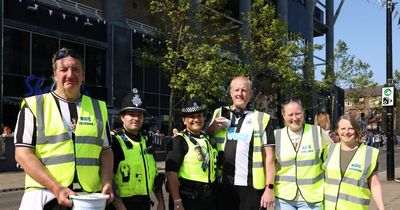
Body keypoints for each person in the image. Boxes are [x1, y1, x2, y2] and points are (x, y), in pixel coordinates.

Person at [14, 47, 114, 209]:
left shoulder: (99, 108)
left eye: (76, 69)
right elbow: (22, 154)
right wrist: (56, 187)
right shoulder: (34, 105)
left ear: (83, 76)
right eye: (64, 70)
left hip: (89, 199)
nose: (70, 74)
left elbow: (106, 151)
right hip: (45, 195)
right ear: (55, 74)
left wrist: (107, 182)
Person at [207, 76, 275, 210]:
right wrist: (213, 126)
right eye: (236, 90)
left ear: (250, 94)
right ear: (231, 92)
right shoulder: (220, 112)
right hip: (222, 183)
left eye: (244, 90)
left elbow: (270, 158)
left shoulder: (261, 118)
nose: (240, 93)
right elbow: (206, 138)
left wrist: (269, 188)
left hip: (251, 186)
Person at [108, 88, 165, 210]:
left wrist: (161, 202)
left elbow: (154, 176)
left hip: (144, 204)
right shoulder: (115, 141)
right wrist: (121, 207)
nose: (136, 118)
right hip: (120, 205)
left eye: (139, 115)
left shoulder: (147, 141)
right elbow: (108, 180)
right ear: (122, 117)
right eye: (131, 114)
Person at [274, 96, 332, 210]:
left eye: (298, 113)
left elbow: (333, 159)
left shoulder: (318, 133)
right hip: (284, 199)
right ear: (284, 116)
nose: (294, 118)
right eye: (290, 115)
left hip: (312, 198)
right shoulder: (276, 136)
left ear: (303, 113)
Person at [323, 114, 385, 210]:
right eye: (343, 128)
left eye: (350, 128)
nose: (346, 132)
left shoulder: (369, 153)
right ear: (337, 131)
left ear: (356, 131)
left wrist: (382, 208)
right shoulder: (328, 150)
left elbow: (375, 184)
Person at [166, 98, 218, 210]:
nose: (196, 120)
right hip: (188, 200)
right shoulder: (179, 140)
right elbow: (170, 173)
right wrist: (177, 202)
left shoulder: (206, 138)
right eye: (191, 117)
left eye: (199, 116)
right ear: (184, 120)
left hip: (208, 199)